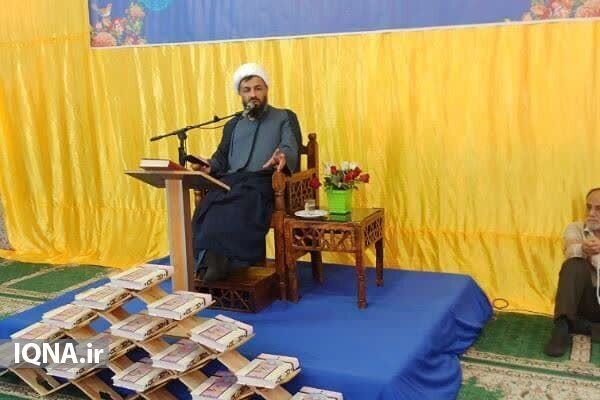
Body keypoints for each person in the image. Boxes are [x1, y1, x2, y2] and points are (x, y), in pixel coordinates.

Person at [189, 63, 301, 283]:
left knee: (239, 205)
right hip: (231, 181)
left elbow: (290, 146)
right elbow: (221, 158)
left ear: (266, 90)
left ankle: (227, 265)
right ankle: (209, 262)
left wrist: (281, 156)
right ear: (240, 94)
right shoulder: (233, 124)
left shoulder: (284, 116)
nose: (253, 95)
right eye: (247, 90)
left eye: (258, 88)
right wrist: (208, 165)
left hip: (264, 181)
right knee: (209, 206)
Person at [545, 187, 600, 356]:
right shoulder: (575, 228)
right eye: (589, 207)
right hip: (587, 302)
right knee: (574, 263)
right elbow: (570, 250)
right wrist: (583, 248)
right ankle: (562, 327)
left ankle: (585, 327)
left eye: (598, 209)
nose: (591, 213)